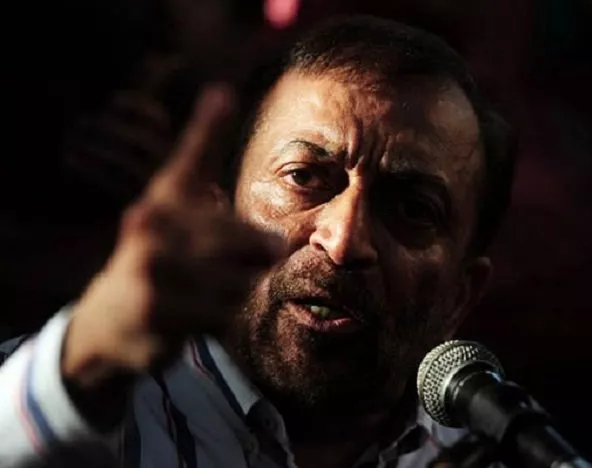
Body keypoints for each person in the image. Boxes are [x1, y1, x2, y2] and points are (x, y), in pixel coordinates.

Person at [0, 15, 514, 468]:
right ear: (218, 207)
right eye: (304, 176)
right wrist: (92, 349)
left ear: (462, 295)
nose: (342, 241)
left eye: (413, 210)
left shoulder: (499, 452)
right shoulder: (81, 398)